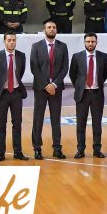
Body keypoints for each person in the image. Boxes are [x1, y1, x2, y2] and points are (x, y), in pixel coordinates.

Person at [30, 20, 68, 160]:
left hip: (56, 89)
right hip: (41, 88)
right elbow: (34, 68)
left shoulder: (63, 46)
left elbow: (65, 68)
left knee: (56, 119)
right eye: (49, 27)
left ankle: (57, 148)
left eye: (54, 27)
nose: (52, 29)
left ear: (56, 30)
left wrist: (54, 84)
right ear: (44, 30)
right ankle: (37, 148)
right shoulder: (36, 46)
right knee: (38, 119)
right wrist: (47, 85)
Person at [68, 32, 107, 159]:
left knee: (97, 123)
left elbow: (105, 74)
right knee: (81, 123)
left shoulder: (103, 56)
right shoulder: (77, 56)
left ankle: (97, 149)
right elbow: (72, 74)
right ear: (84, 42)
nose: (90, 44)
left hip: (97, 93)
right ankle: (80, 149)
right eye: (88, 41)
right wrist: (79, 87)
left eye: (93, 41)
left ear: (96, 42)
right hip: (83, 94)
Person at [0, 32, 29, 161]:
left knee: (17, 123)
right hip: (3, 94)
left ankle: (18, 151)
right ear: (4, 41)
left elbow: (20, 72)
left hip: (16, 93)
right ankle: (1, 152)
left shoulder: (21, 56)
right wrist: (0, 87)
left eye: (13, 40)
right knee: (1, 124)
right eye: (9, 40)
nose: (11, 42)